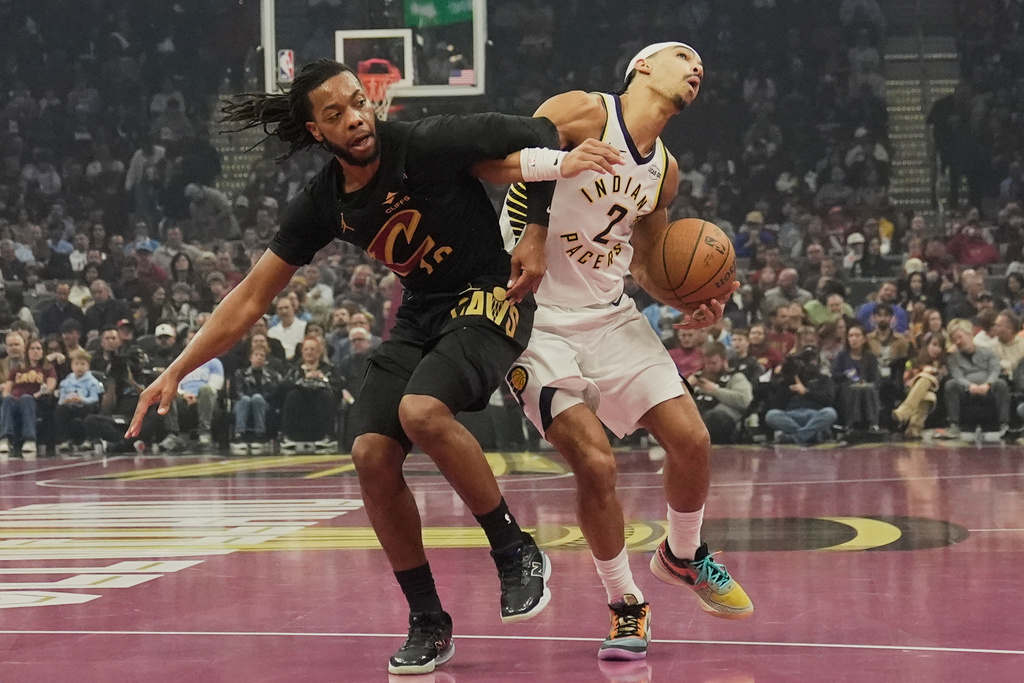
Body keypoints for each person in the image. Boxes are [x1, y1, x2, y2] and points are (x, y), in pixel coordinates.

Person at [126, 58, 614, 675]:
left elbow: (543, 137)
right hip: (422, 314)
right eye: (336, 114)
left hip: (491, 296)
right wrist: (177, 369)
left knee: (421, 412)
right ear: (316, 133)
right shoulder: (322, 202)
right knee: (370, 454)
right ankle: (429, 620)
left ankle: (515, 551)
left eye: (359, 102)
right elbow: (252, 297)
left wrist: (536, 232)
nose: (356, 118)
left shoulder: (427, 142)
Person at [483, 42, 751, 662]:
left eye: (702, 68)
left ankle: (682, 556)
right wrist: (534, 231)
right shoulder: (582, 110)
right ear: (642, 68)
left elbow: (653, 263)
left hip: (610, 315)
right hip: (535, 319)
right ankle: (626, 604)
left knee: (693, 441)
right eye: (683, 58)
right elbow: (512, 163)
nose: (696, 69)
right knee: (596, 464)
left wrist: (687, 302)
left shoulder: (665, 170)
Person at [945, 318, 1009, 439]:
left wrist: (988, 384)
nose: (958, 341)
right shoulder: (953, 358)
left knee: (1001, 384)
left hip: (988, 387)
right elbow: (957, 375)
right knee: (951, 385)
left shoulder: (988, 352)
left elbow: (995, 370)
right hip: (966, 390)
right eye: (955, 340)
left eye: (960, 337)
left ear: (970, 334)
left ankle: (1004, 425)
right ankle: (954, 425)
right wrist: (969, 385)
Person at [0, 338, 58, 458]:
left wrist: (36, 395)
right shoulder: (17, 369)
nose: (35, 351)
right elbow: (7, 388)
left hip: (36, 402)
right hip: (15, 401)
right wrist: (7, 397)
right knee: (7, 399)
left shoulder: (48, 369)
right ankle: (5, 439)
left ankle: (29, 440)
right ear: (27, 351)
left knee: (27, 398)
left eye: (38, 348)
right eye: (32, 348)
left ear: (43, 352)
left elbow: (50, 387)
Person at [689, 342, 753, 443]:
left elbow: (745, 401)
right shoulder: (698, 377)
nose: (709, 367)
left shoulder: (735, 377)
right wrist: (686, 387)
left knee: (714, 417)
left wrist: (716, 391)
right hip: (696, 416)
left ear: (724, 361)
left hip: (722, 420)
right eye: (707, 363)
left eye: (713, 363)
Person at [892, 332, 948, 439]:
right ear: (927, 345)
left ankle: (903, 413)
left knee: (927, 379)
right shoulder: (914, 361)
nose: (937, 349)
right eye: (934, 345)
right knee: (928, 396)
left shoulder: (943, 364)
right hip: (912, 392)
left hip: (937, 394)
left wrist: (931, 371)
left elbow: (942, 379)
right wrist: (922, 373)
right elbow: (906, 381)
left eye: (940, 346)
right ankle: (914, 429)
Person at [832, 322, 884, 434]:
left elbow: (876, 379)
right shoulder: (842, 356)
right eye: (851, 336)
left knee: (868, 388)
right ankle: (851, 423)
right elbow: (835, 375)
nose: (854, 339)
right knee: (854, 388)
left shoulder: (871, 357)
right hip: (847, 387)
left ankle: (873, 423)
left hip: (867, 387)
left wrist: (866, 384)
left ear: (864, 339)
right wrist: (846, 375)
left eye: (857, 336)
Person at [230, 346, 281, 455]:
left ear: (265, 359)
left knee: (257, 399)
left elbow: (273, 393)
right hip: (243, 402)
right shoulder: (240, 373)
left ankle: (260, 434)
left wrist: (256, 397)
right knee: (246, 400)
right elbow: (238, 392)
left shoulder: (272, 376)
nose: (259, 358)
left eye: (262, 356)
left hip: (263, 403)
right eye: (256, 355)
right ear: (250, 358)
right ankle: (239, 434)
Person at [55, 349, 104, 451]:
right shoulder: (67, 381)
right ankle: (66, 440)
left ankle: (88, 439)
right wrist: (66, 400)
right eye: (76, 364)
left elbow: (94, 398)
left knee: (90, 409)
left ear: (88, 366)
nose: (79, 367)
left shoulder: (92, 381)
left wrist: (81, 399)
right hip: (70, 405)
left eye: (83, 364)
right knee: (60, 409)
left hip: (85, 405)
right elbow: (61, 399)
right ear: (72, 366)